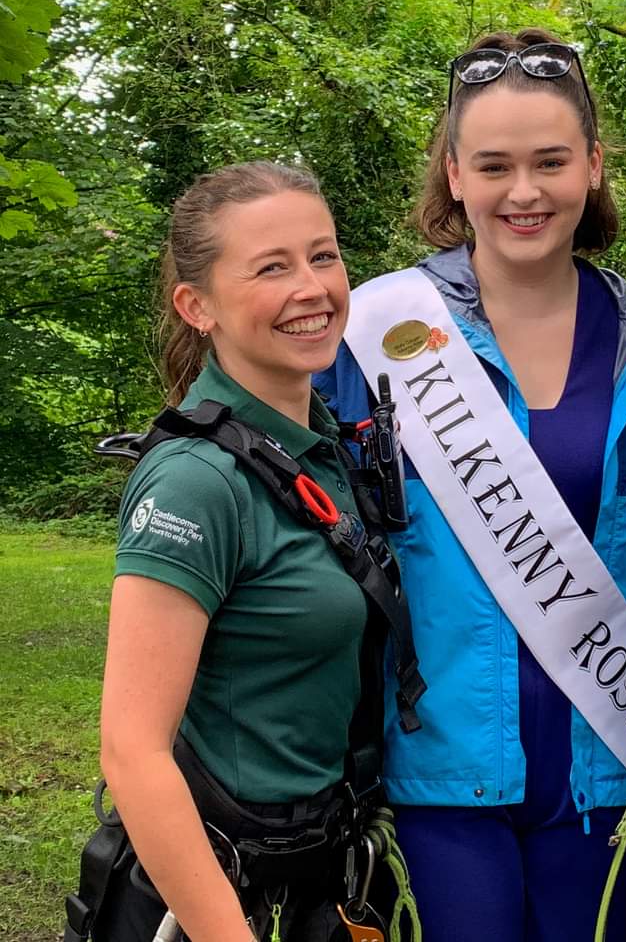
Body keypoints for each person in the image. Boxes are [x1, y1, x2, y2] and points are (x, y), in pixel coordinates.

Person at [314, 28, 626, 942]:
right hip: (438, 778)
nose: (523, 193)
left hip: (606, 770)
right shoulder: (371, 335)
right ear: (454, 174)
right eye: (493, 165)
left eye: (551, 162)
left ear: (595, 168)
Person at [87, 162, 402, 941]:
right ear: (198, 306)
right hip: (225, 898)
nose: (313, 288)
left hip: (323, 875)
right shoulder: (198, 480)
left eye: (323, 256)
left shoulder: (318, 446)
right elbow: (133, 753)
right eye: (272, 267)